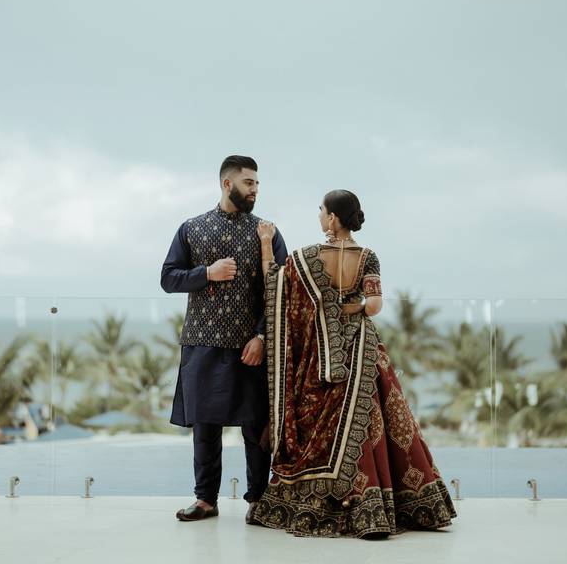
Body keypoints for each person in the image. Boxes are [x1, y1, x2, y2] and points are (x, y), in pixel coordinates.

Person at [249, 189, 456, 538]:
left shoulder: (305, 258)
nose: (319, 216)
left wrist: (266, 242)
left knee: (321, 426)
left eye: (321, 211)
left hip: (320, 349)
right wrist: (350, 307)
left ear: (332, 218)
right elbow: (373, 305)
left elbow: (274, 287)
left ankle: (318, 502)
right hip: (360, 346)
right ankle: (372, 503)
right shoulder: (368, 257)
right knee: (374, 422)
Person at [161, 155, 287, 523]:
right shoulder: (191, 229)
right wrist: (207, 273)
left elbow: (279, 289)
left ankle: (258, 500)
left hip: (250, 346)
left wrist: (263, 336)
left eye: (257, 184)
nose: (255, 190)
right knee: (205, 425)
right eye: (249, 183)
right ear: (227, 183)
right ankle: (205, 500)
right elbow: (169, 278)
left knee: (254, 427)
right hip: (202, 342)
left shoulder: (267, 232)